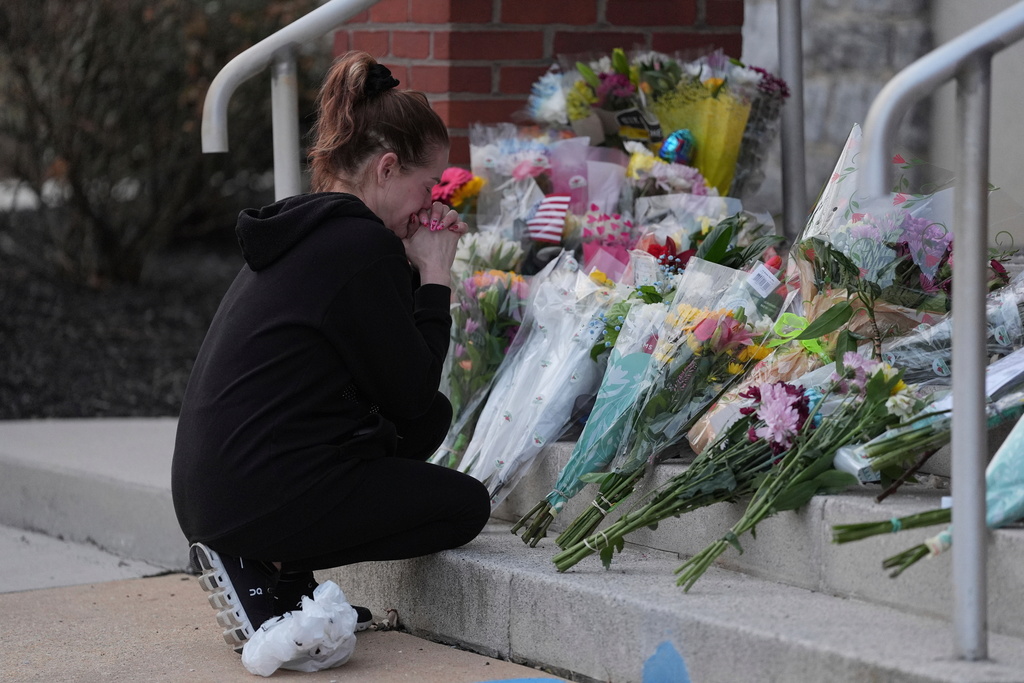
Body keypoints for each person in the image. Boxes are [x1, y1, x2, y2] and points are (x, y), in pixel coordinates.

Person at [171, 50, 491, 654]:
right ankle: (263, 561)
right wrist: (434, 276)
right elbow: (410, 386)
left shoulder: (315, 232)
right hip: (248, 496)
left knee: (431, 423)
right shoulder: (359, 246)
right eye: (428, 187)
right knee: (463, 505)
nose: (431, 205)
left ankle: (281, 572)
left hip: (220, 483)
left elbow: (408, 404)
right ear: (388, 168)